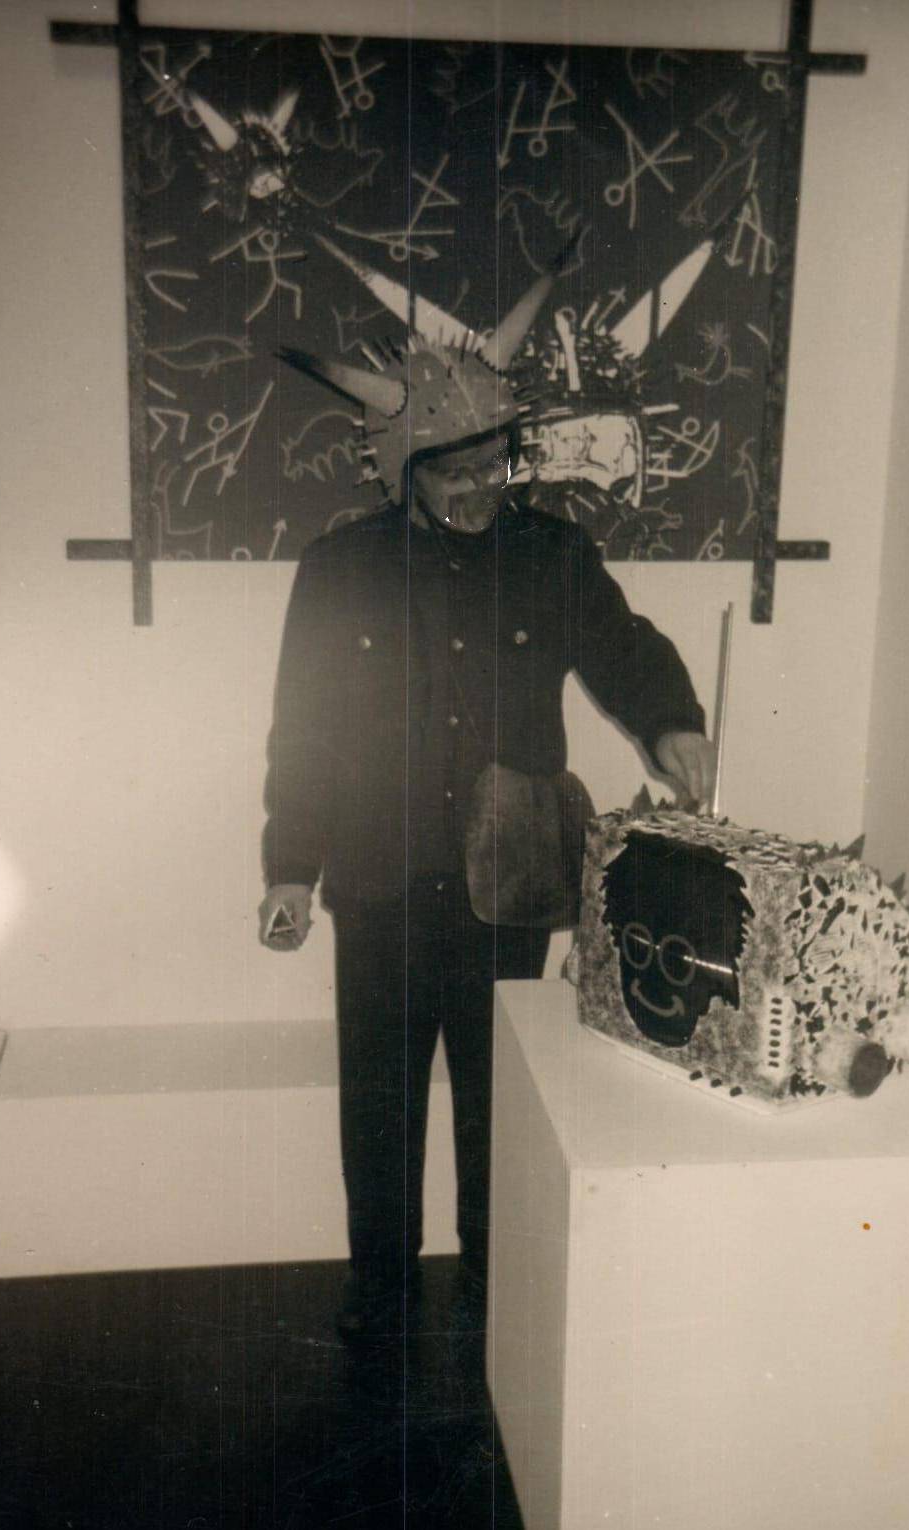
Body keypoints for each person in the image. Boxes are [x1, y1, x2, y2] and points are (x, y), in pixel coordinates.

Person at [259, 267, 716, 1341]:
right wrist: (289, 868)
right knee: (379, 1103)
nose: (476, 491)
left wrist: (669, 721)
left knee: (500, 1101)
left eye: (492, 466)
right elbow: (305, 731)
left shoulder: (552, 554)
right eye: (452, 472)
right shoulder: (339, 570)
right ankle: (380, 1290)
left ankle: (493, 1291)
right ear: (402, 467)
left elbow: (623, 646)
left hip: (509, 881)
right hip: (377, 881)